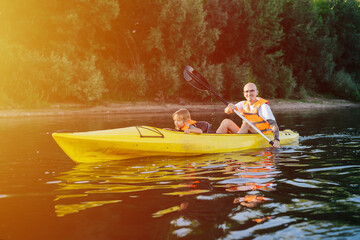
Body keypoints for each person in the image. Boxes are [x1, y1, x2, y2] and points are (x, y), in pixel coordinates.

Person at [216, 83, 280, 148]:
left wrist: (276, 140)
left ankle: (233, 144)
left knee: (247, 124)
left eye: (252, 91)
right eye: (247, 91)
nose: (249, 94)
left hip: (262, 135)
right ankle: (215, 142)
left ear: (257, 92)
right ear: (244, 94)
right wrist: (229, 108)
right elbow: (227, 111)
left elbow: (273, 124)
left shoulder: (263, 107)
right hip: (245, 133)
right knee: (226, 122)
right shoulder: (243, 104)